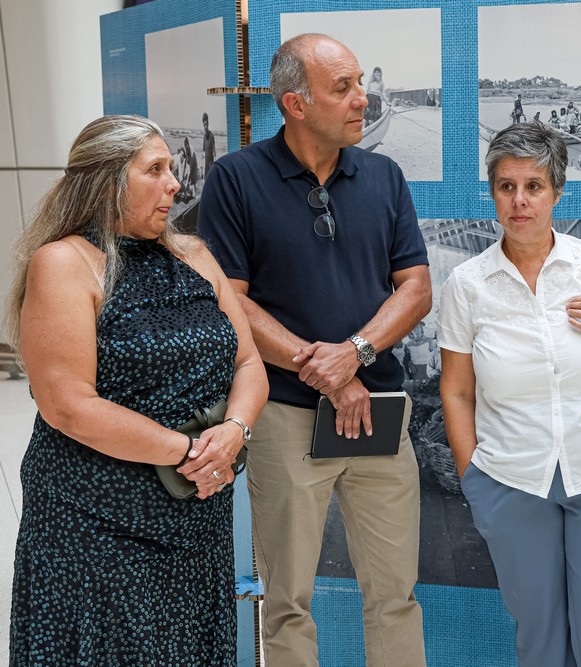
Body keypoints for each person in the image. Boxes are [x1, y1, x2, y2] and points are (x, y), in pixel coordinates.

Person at [197, 34, 431, 667]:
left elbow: (416, 289)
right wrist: (321, 370)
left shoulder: (383, 174)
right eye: (345, 88)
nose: (364, 98)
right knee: (288, 600)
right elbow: (230, 301)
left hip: (379, 415)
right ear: (295, 104)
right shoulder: (236, 178)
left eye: (361, 83)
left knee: (395, 595)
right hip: (285, 419)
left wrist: (353, 354)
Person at [6, 114, 268, 664]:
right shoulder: (65, 264)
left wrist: (235, 432)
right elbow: (69, 406)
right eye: (155, 169)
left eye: (172, 167)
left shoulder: (194, 255)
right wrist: (193, 452)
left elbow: (248, 361)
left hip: (197, 514)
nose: (175, 183)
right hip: (97, 526)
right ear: (106, 182)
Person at [438, 120, 581, 667]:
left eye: (534, 186)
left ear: (557, 192)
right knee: (538, 635)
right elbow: (457, 391)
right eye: (506, 186)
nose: (520, 201)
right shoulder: (467, 285)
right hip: (513, 480)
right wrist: (475, 480)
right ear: (492, 192)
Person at [202, 111, 217, 177]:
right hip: (206, 160)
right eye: (204, 125)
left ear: (208, 125)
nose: (205, 127)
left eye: (206, 125)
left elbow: (213, 147)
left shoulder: (211, 135)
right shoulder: (204, 136)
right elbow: (203, 150)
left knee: (211, 175)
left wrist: (215, 157)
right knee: (206, 176)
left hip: (211, 160)